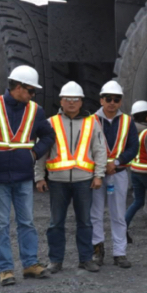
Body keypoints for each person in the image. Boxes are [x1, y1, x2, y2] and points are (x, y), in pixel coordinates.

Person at [0, 65, 54, 286]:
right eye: (31, 91)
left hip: (23, 176)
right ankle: (5, 270)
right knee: (0, 225)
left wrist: (34, 153)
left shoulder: (36, 111)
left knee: (26, 222)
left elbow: (48, 136)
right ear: (18, 87)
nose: (33, 95)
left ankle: (30, 264)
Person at [35, 81, 107, 273]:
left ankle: (86, 259)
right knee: (55, 223)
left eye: (76, 99)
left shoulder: (92, 123)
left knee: (85, 222)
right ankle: (55, 260)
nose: (72, 102)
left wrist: (99, 175)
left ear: (81, 102)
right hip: (57, 182)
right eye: (68, 99)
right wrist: (39, 177)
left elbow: (100, 150)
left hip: (84, 181)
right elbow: (41, 151)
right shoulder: (51, 123)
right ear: (61, 101)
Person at [91, 80, 138, 269]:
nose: (112, 102)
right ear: (101, 100)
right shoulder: (91, 121)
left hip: (118, 173)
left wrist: (116, 162)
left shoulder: (127, 121)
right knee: (95, 214)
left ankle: (120, 253)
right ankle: (97, 250)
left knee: (118, 214)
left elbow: (133, 147)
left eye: (116, 99)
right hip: (97, 174)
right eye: (108, 98)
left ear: (121, 101)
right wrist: (102, 166)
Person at [124, 100, 147, 242]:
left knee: (138, 201)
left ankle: (122, 229)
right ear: (146, 116)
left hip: (135, 171)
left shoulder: (130, 131)